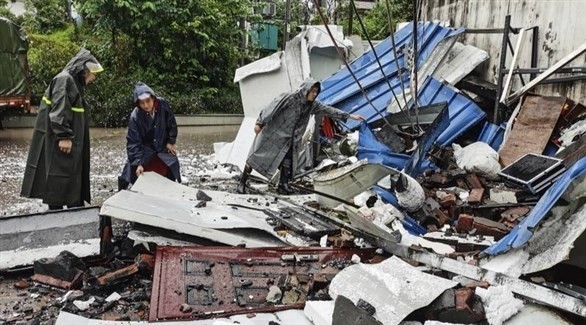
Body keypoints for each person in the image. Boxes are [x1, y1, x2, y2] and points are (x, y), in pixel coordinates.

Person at [237, 78, 364, 194]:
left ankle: (283, 185)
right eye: (312, 91)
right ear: (306, 90)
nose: (314, 94)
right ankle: (242, 182)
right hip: (273, 134)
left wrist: (350, 116)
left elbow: (329, 110)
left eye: (316, 92)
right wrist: (260, 122)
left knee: (288, 161)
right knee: (257, 157)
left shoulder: (313, 105)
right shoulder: (290, 97)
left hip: (290, 139)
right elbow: (272, 107)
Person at [21, 48, 103, 210]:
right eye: (92, 73)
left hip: (70, 143)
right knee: (59, 175)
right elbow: (59, 110)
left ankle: (72, 207)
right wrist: (64, 136)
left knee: (70, 176)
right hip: (61, 142)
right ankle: (57, 212)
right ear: (83, 69)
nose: (93, 78)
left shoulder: (72, 82)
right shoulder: (64, 80)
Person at [117, 82, 180, 191]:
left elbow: (171, 124)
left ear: (153, 98)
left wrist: (171, 141)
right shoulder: (135, 116)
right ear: (138, 103)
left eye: (148, 101)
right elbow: (133, 142)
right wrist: (139, 162)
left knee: (171, 168)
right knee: (130, 172)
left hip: (162, 146)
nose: (146, 106)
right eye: (142, 103)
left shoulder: (163, 105)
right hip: (145, 150)